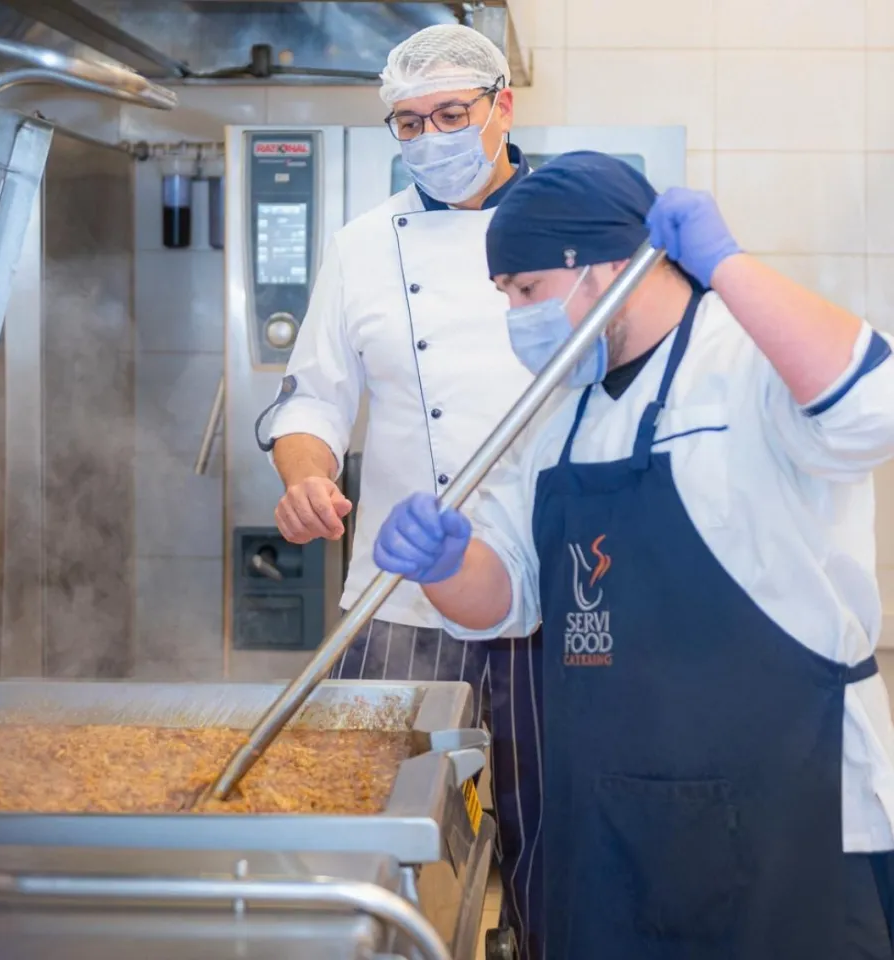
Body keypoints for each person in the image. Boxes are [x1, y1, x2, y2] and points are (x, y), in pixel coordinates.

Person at [371, 150, 894, 959]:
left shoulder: (743, 360)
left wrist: (730, 267)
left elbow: (871, 410)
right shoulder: (560, 415)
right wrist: (445, 566)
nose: (515, 313)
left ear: (604, 266)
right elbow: (506, 595)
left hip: (785, 816)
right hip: (612, 829)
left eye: (525, 289)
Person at [257, 23, 543, 958]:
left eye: (449, 115)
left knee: (558, 832)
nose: (429, 139)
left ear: (503, 105)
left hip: (557, 599)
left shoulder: (571, 225)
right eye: (407, 123)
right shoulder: (365, 244)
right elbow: (313, 398)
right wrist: (306, 478)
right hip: (397, 601)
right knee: (376, 832)